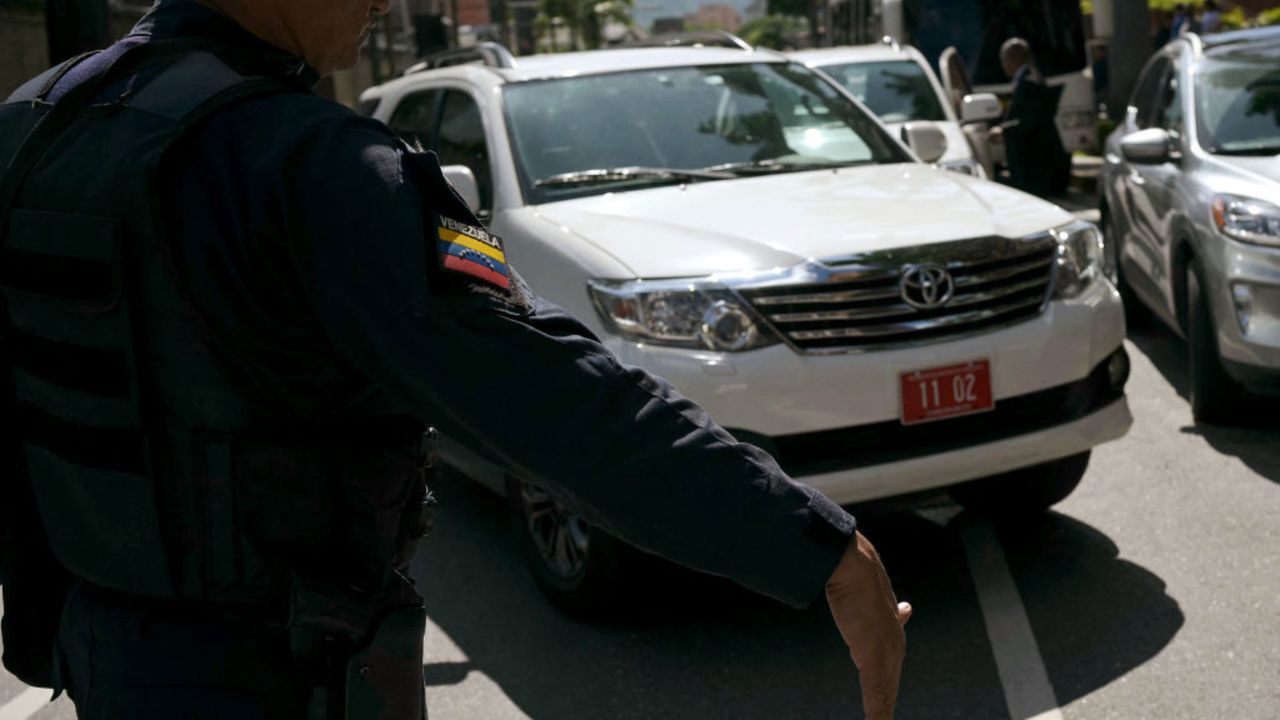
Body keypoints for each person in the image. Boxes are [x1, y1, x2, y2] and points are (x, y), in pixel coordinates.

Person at [0, 0, 911, 718]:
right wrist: (816, 545)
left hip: (106, 648)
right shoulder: (304, 163)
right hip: (278, 672)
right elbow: (549, 394)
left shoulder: (32, 126)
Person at [990, 37, 1071, 198]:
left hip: (1034, 162)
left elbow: (1030, 121)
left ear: (1014, 59)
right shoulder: (1029, 78)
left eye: (1004, 60)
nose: (1003, 65)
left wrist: (1003, 130)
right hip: (1035, 161)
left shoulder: (1029, 81)